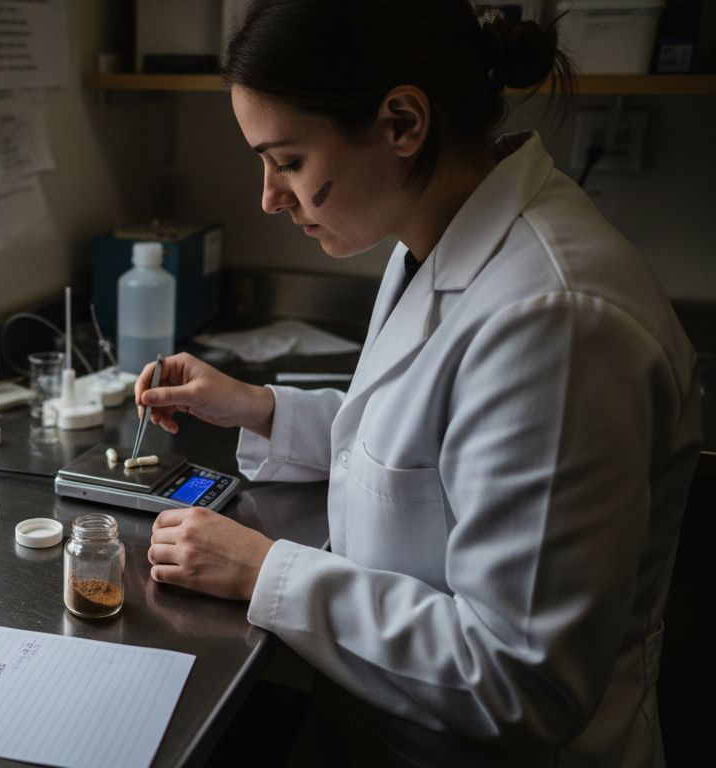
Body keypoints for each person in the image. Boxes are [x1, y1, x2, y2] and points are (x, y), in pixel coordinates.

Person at [137, 2, 701, 766]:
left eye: (289, 161)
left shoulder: (557, 321)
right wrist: (260, 408)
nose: (270, 196)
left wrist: (265, 571)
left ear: (402, 122)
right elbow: (426, 442)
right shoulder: (434, 242)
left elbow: (519, 679)